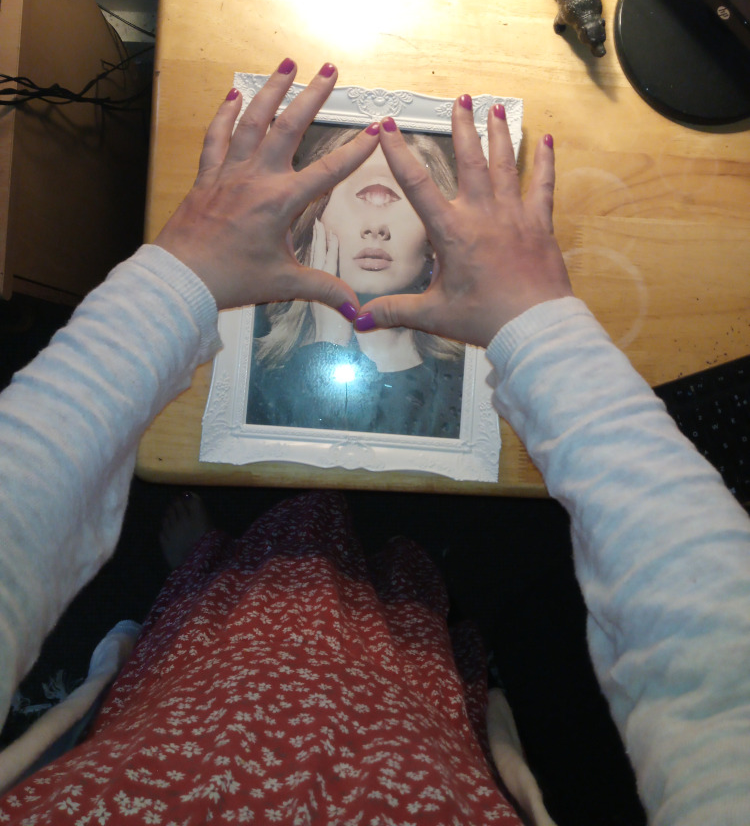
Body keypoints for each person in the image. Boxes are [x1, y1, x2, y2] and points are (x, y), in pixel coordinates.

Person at [0, 57, 749, 824]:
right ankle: (398, 601)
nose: (376, 218)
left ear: (435, 246)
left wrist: (177, 278)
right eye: (356, 200)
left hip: (202, 701)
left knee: (225, 618)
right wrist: (538, 326)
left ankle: (200, 576)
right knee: (411, 613)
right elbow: (721, 664)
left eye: (396, 195)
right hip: (399, 729)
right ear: (320, 220)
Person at [247, 124, 464, 436]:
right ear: (315, 220)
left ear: (436, 237)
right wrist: (329, 346)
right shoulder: (258, 382)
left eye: (397, 197)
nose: (375, 229)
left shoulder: (468, 390)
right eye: (363, 197)